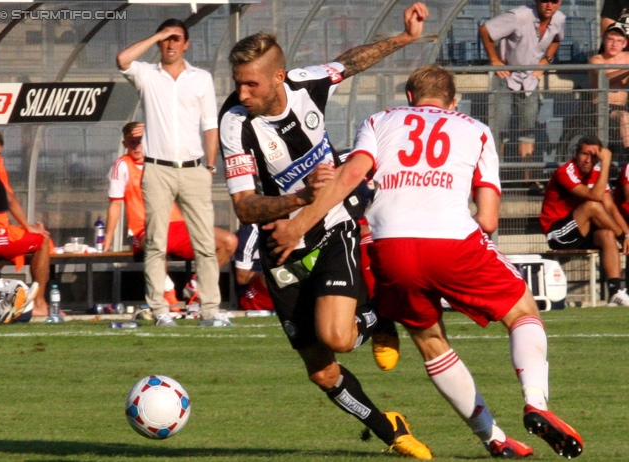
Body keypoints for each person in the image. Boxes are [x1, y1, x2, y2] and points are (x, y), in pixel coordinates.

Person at [266, 65, 584, 459]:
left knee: (432, 344)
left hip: (391, 246)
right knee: (521, 312)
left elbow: (350, 174)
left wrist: (300, 224)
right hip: (451, 241)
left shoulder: (381, 120)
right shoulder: (476, 129)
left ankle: (493, 438)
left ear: (411, 98)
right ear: (454, 102)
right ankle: (536, 401)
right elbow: (488, 220)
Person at [218, 4, 433, 458]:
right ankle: (390, 428)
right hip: (281, 244)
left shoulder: (305, 83)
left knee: (337, 336)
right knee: (321, 370)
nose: (242, 92)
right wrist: (298, 197)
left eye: (250, 82)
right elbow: (244, 206)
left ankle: (380, 314)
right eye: (237, 82)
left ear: (279, 77)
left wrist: (405, 37)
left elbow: (352, 61)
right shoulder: (235, 122)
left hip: (332, 225)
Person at [116, 18, 220, 327]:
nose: (171, 44)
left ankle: (211, 311)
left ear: (186, 44)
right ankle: (160, 310)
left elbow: (210, 125)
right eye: (167, 39)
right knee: (156, 244)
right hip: (157, 170)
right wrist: (156, 35)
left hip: (194, 170)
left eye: (176, 39)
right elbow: (122, 59)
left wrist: (210, 168)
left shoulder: (201, 78)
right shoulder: (148, 75)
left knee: (205, 243)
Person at [103, 122, 238, 312]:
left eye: (140, 141)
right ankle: (167, 294)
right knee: (158, 244)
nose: (137, 146)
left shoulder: (164, 161)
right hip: (145, 228)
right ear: (125, 143)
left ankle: (196, 287)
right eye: (132, 142)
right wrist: (106, 241)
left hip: (178, 226)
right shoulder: (122, 165)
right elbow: (115, 203)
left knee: (229, 241)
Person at [479, 0, 564, 187]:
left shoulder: (559, 18)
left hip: (530, 81)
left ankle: (527, 182)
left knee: (527, 131)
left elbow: (557, 39)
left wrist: (547, 59)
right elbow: (485, 30)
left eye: (555, 1)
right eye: (544, 0)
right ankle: (493, 180)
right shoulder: (519, 15)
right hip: (506, 76)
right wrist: (494, 59)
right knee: (498, 129)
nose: (549, 5)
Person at [541, 134, 629, 306]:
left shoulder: (596, 174)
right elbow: (594, 197)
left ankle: (615, 292)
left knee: (606, 234)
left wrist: (627, 232)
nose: (588, 160)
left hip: (582, 231)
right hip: (558, 233)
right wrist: (605, 162)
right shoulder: (565, 172)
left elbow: (610, 207)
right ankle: (623, 238)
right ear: (576, 155)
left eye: (593, 156)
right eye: (584, 154)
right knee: (592, 206)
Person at [0, 128, 51, 318]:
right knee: (42, 240)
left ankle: (7, 298)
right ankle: (10, 299)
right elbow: (10, 199)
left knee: (41, 240)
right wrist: (28, 226)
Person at [589, 23, 629, 154]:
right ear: (604, 40)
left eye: (619, 41)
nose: (614, 44)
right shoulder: (596, 60)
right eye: (610, 39)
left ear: (624, 44)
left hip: (622, 106)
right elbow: (606, 79)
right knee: (624, 116)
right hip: (601, 108)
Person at [232, 223, 273, 311]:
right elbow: (242, 278)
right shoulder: (249, 233)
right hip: (253, 295)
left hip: (280, 289)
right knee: (273, 274)